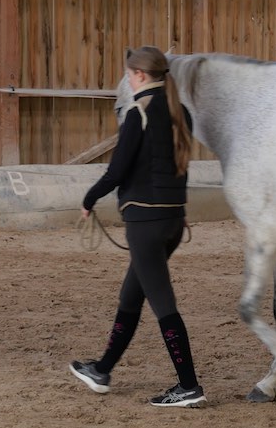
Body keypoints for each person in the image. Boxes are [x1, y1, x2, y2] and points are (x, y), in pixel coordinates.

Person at [70, 46, 207, 407]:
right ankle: (102, 369)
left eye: (129, 75)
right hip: (172, 220)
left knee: (163, 304)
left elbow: (117, 172)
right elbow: (177, 168)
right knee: (131, 296)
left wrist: (88, 199)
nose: (128, 81)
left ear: (140, 76)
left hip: (145, 222)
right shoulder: (181, 113)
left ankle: (189, 385)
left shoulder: (138, 114)